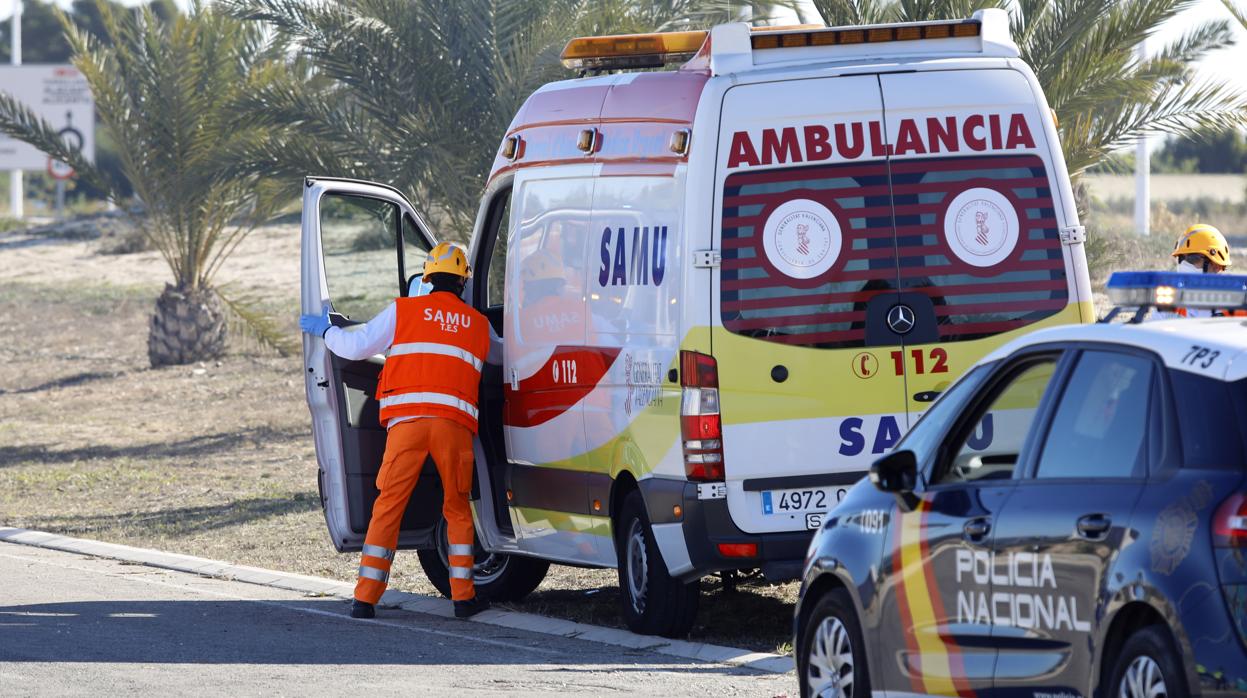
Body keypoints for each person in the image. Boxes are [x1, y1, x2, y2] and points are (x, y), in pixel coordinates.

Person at [299, 242, 491, 620]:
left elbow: (355, 348)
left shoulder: (403, 311)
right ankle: (464, 598)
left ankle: (365, 598)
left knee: (388, 506)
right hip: (453, 427)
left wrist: (326, 331)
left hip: (408, 425)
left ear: (428, 278)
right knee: (456, 507)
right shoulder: (479, 326)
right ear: (464, 283)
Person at [1169, 223, 1235, 318]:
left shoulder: (1238, 303)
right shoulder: (1169, 300)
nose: (1184, 265)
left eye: (1192, 259)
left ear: (1216, 265)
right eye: (1180, 258)